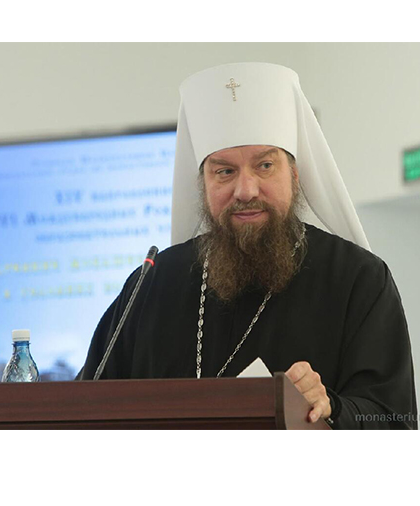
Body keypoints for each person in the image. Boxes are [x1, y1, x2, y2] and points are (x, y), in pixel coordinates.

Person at [77, 62, 417, 430]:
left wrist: (332, 407)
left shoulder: (357, 278)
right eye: (224, 171)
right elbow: (82, 409)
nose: (245, 190)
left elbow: (396, 420)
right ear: (203, 185)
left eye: (265, 166)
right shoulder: (152, 285)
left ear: (295, 175)